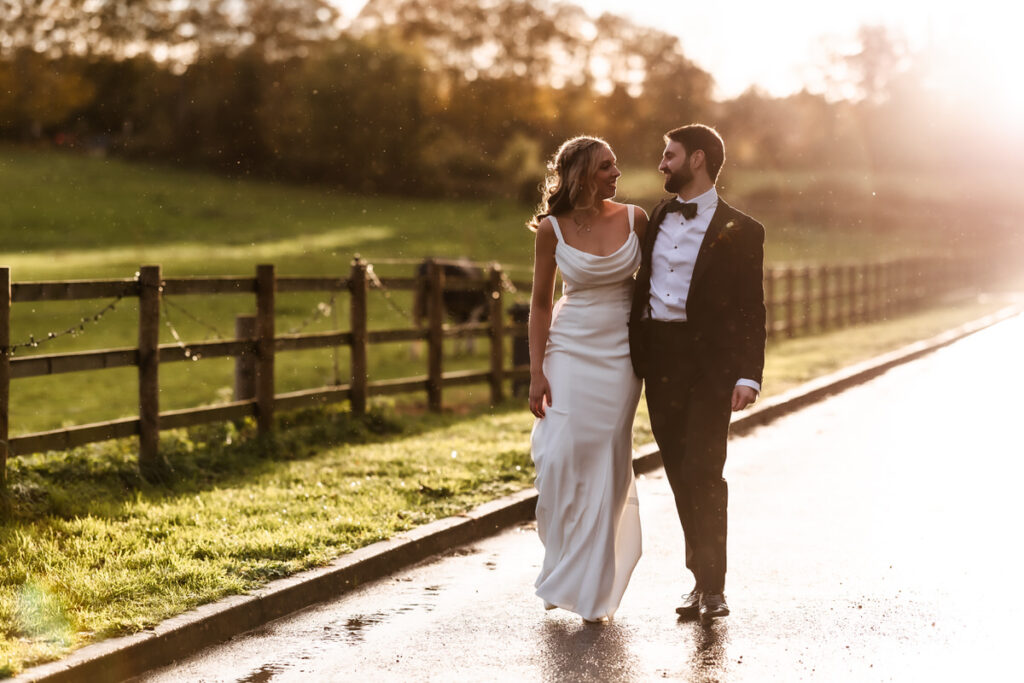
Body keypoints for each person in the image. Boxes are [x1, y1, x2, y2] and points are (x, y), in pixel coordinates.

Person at [628, 124, 766, 622]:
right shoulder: (657, 215)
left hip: (711, 367)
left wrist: (749, 374)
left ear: (698, 159)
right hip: (659, 361)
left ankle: (713, 587)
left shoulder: (745, 230)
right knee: (680, 473)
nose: (662, 165)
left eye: (670, 155)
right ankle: (698, 578)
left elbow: (753, 308)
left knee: (705, 471)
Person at [528, 135, 649, 623]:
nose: (615, 174)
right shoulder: (550, 229)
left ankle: (594, 589)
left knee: (607, 459)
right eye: (606, 167)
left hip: (621, 352)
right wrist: (536, 371)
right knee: (559, 458)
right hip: (569, 346)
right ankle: (562, 565)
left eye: (615, 165)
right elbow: (539, 303)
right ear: (580, 173)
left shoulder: (637, 219)